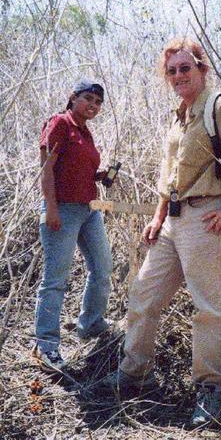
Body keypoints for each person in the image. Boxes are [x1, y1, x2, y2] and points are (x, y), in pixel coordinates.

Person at [96, 37, 221, 428]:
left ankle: (211, 390)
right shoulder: (180, 115)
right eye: (171, 70)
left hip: (205, 218)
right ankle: (133, 375)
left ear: (201, 69)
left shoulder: (216, 106)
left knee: (208, 307)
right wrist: (158, 216)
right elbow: (169, 175)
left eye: (185, 68)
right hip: (172, 221)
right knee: (143, 294)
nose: (178, 75)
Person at [34, 80, 114, 372]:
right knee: (55, 279)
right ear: (73, 98)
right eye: (87, 99)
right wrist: (51, 208)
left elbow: (78, 169)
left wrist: (100, 175)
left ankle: (91, 324)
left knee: (103, 267)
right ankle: (46, 346)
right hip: (62, 210)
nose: (92, 106)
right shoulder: (59, 124)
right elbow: (47, 168)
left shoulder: (86, 133)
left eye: (97, 102)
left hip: (89, 210)